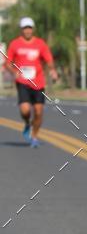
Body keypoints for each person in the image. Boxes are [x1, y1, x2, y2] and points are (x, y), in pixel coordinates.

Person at [5, 17, 57, 147]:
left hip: (38, 82)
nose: (27, 30)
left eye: (29, 28)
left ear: (32, 29)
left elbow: (49, 59)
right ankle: (27, 123)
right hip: (22, 82)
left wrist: (52, 70)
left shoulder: (40, 44)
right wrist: (13, 71)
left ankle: (34, 137)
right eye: (25, 28)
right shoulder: (15, 44)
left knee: (39, 111)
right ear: (21, 30)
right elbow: (8, 62)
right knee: (25, 110)